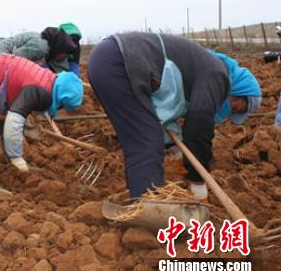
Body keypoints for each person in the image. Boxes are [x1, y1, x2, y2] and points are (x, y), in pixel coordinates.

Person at [87, 32, 261, 201]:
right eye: (237, 108)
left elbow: (157, 113)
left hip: (106, 59)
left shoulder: (200, 68)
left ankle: (141, 204)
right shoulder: (218, 74)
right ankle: (147, 213)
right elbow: (199, 121)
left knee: (143, 137)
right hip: (120, 60)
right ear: (238, 91)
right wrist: (197, 179)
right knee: (146, 141)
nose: (230, 112)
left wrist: (175, 148)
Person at [0, 53, 84, 193]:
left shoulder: (48, 80)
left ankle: (11, 164)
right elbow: (14, 123)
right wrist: (16, 156)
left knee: (2, 120)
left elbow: (16, 112)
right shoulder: (39, 91)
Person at [0, 27, 77, 73]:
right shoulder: (40, 47)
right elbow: (14, 59)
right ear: (60, 48)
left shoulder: (48, 47)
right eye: (65, 54)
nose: (65, 58)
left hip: (4, 57)